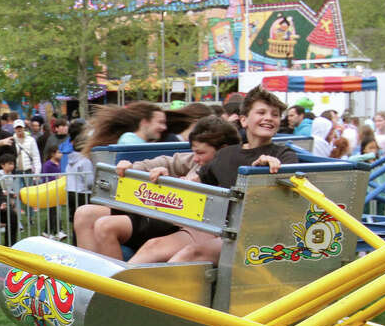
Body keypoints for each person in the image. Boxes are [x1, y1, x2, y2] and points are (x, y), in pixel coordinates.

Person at [136, 88, 297, 264]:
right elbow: (196, 183)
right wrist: (168, 177)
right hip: (217, 226)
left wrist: (269, 168)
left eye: (274, 114)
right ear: (244, 120)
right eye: (261, 112)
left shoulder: (283, 155)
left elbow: (289, 184)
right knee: (153, 247)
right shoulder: (226, 154)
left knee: (189, 255)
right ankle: (113, 290)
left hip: (254, 232)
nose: (268, 118)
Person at [75, 117, 239, 260]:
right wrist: (131, 168)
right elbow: (168, 161)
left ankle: (112, 289)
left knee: (106, 226)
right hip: (165, 211)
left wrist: (173, 181)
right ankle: (87, 281)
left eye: (201, 153)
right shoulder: (197, 161)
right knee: (84, 213)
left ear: (223, 150)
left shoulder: (229, 169)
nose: (196, 158)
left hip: (184, 222)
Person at [88, 102, 166, 147]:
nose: (164, 127)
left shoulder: (137, 142)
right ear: (144, 122)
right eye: (160, 122)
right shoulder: (129, 141)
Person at [0, 153, 21, 243]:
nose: (11, 166)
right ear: (2, 165)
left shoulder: (11, 175)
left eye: (12, 164)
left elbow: (10, 188)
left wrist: (13, 194)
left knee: (14, 212)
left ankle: (10, 242)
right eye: (9, 164)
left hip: (8, 198)